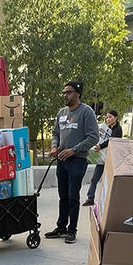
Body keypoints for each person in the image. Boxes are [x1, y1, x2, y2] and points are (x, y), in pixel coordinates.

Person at [44, 81, 99, 245]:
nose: (65, 96)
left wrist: (74, 150)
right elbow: (55, 133)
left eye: (68, 92)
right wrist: (54, 145)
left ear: (77, 94)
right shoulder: (61, 112)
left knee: (73, 196)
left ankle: (71, 230)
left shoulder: (86, 112)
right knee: (63, 196)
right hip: (61, 160)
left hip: (77, 160)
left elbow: (93, 137)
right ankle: (61, 226)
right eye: (64, 93)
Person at [83, 109, 123, 207]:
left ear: (116, 118)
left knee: (109, 180)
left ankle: (110, 200)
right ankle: (90, 198)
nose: (108, 119)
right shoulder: (106, 128)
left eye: (110, 117)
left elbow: (112, 141)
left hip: (111, 159)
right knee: (94, 179)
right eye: (107, 117)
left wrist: (101, 146)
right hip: (102, 159)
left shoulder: (118, 129)